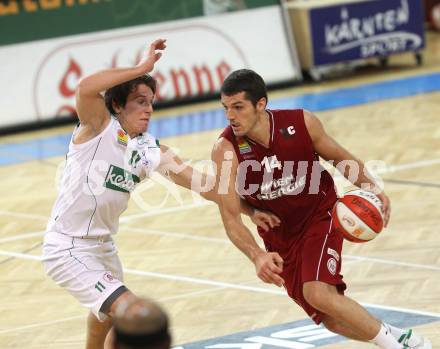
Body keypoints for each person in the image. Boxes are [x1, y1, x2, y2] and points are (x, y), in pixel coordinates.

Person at [42, 41, 279, 349]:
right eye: (140, 101)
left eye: (151, 102)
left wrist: (249, 209)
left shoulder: (150, 149)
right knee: (130, 314)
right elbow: (86, 87)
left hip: (103, 247)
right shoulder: (98, 127)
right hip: (67, 247)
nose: (149, 108)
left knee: (105, 314)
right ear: (117, 105)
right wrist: (141, 69)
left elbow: (207, 186)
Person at [211, 69, 432, 349]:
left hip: (321, 214)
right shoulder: (226, 149)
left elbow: (340, 158)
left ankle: (395, 347)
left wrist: (372, 187)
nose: (230, 115)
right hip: (280, 238)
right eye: (225, 108)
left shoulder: (300, 123)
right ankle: (398, 337)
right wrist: (256, 255)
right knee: (330, 318)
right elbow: (230, 217)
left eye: (238, 107)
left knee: (317, 292)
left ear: (261, 104)